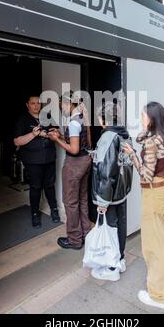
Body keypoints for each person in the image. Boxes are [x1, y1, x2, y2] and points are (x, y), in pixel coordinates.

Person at [123, 102, 164, 310]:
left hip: (154, 193)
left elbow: (146, 174)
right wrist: (144, 134)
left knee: (154, 246)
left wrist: (133, 156)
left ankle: (158, 295)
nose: (141, 119)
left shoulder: (153, 143)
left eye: (143, 116)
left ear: (152, 119)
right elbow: (142, 139)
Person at [90, 101, 133, 281]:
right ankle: (120, 260)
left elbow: (107, 173)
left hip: (110, 194)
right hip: (121, 192)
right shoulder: (124, 134)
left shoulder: (107, 137)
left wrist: (102, 201)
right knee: (120, 226)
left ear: (102, 119)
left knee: (110, 228)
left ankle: (111, 267)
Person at [48, 91, 92, 250]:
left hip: (75, 164)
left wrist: (57, 139)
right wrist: (61, 135)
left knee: (70, 202)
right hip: (86, 160)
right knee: (82, 199)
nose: (62, 109)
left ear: (70, 104)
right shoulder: (83, 117)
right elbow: (84, 142)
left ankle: (74, 239)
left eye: (62, 106)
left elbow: (74, 149)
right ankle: (86, 234)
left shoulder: (73, 122)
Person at [13, 95, 60, 228]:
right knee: (35, 187)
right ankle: (35, 214)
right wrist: (33, 134)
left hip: (49, 157)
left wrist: (54, 133)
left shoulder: (46, 116)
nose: (36, 106)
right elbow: (17, 141)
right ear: (27, 105)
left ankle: (54, 210)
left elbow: (55, 133)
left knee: (50, 185)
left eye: (38, 103)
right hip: (33, 160)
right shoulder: (22, 120)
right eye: (33, 103)